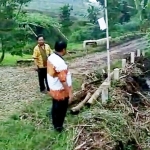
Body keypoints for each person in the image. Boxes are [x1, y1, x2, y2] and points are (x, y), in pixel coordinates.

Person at [47, 40, 73, 132]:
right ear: (64, 49)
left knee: (55, 107)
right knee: (61, 110)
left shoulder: (51, 57)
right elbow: (63, 80)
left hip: (53, 88)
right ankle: (59, 127)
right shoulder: (59, 63)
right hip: (61, 91)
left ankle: (55, 123)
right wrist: (69, 93)